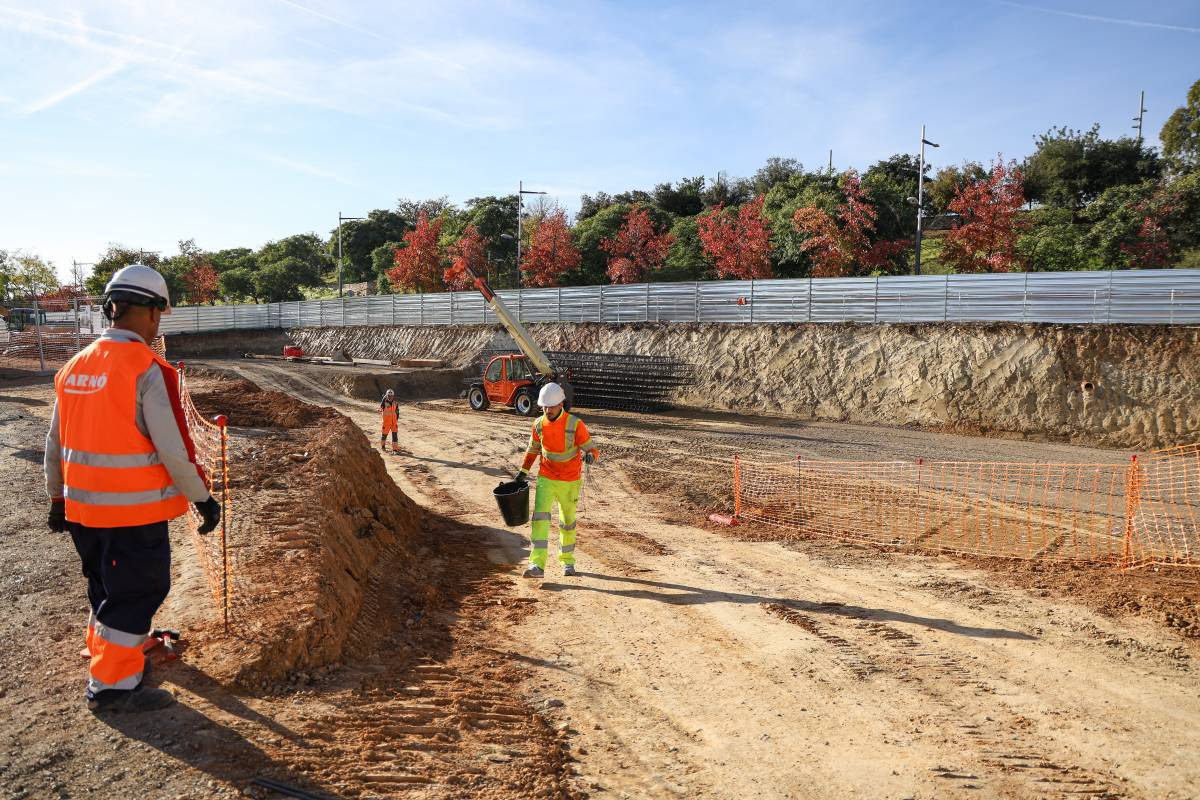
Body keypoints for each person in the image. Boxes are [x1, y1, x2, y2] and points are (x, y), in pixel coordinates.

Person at [44, 264, 221, 714]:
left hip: (83, 512)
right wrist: (202, 498)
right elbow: (175, 448)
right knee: (137, 590)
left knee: (106, 585)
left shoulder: (74, 366)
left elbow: (54, 442)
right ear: (151, 313)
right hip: (131, 514)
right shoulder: (147, 368)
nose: (158, 323)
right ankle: (113, 688)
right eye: (159, 312)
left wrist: (57, 498)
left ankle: (110, 651)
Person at [515, 382, 598, 578]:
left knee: (567, 522)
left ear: (561, 404)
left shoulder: (574, 424)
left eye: (551, 406)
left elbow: (592, 449)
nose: (547, 410)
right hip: (546, 477)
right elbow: (533, 450)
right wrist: (522, 473)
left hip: (570, 481)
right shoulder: (538, 424)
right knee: (540, 520)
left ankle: (567, 562)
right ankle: (537, 565)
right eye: (544, 406)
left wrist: (591, 456)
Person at [380, 388, 400, 453]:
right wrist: (384, 398)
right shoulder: (384, 403)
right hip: (386, 423)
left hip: (394, 423)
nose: (390, 397)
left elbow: (397, 412)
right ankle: (383, 446)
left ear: (393, 396)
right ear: (386, 396)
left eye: (391, 396)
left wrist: (396, 420)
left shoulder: (395, 403)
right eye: (388, 396)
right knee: (384, 436)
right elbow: (381, 406)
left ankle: (395, 449)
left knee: (395, 436)